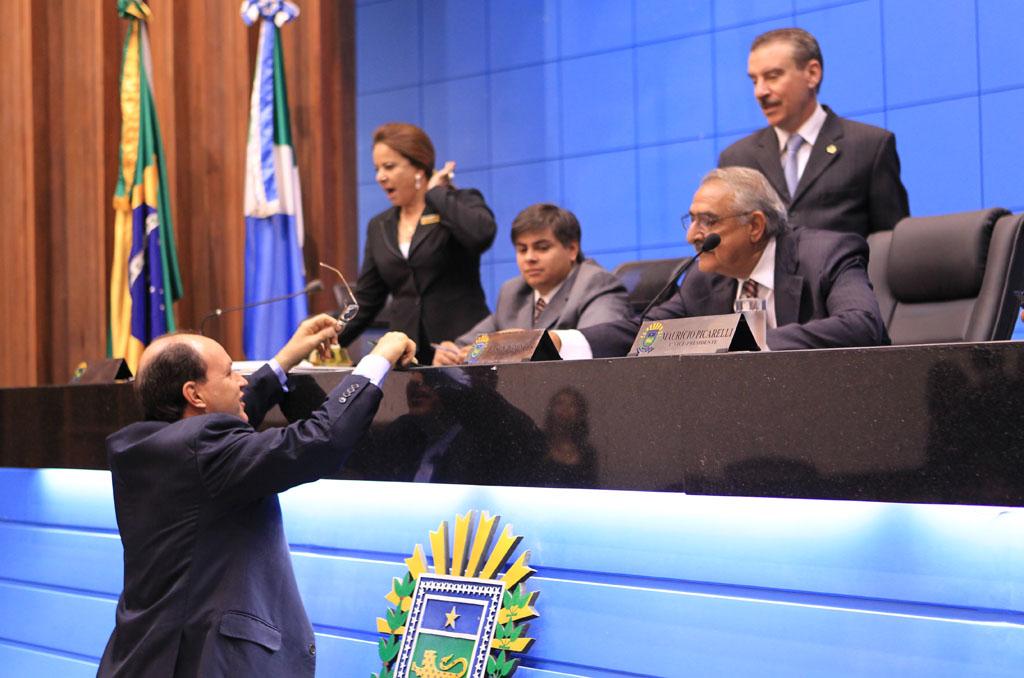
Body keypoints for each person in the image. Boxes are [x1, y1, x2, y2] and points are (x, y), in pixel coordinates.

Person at [97, 315, 415, 677]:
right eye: (231, 372)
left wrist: (287, 358)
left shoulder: (144, 447)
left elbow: (225, 419)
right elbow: (318, 441)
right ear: (194, 394)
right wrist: (378, 359)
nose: (242, 381)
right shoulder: (206, 452)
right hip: (200, 663)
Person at [551, 167, 890, 358]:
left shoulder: (825, 255)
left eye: (708, 222)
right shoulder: (704, 279)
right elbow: (647, 333)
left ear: (755, 226)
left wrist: (755, 343)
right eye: (692, 220)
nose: (692, 236)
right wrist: (562, 341)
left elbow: (863, 325)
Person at [718, 28, 909, 239]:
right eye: (755, 81)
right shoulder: (737, 159)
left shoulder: (869, 147)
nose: (760, 92)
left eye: (772, 76)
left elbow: (892, 246)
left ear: (812, 74)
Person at [337, 122, 497, 364]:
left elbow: (481, 235)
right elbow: (367, 300)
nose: (380, 177)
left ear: (419, 168)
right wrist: (328, 341)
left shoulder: (458, 202)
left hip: (462, 350)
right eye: (377, 168)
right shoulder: (380, 225)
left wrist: (435, 194)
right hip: (408, 357)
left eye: (389, 166)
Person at [432, 203, 629, 365]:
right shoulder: (513, 291)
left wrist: (510, 345)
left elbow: (598, 350)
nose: (529, 258)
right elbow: (469, 344)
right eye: (522, 249)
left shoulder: (596, 284)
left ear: (572, 249)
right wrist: (450, 354)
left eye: (542, 248)